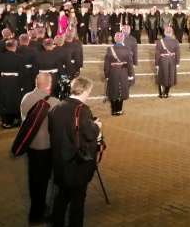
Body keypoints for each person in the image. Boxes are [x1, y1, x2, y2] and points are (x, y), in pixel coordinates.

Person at [48, 77, 102, 227]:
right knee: (78, 201)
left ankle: (56, 223)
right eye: (89, 91)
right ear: (84, 91)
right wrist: (97, 125)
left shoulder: (57, 107)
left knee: (62, 196)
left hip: (60, 160)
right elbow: (90, 134)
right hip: (76, 162)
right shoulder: (82, 110)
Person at [20, 73, 60, 225]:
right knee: (42, 181)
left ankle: (39, 206)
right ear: (49, 84)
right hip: (45, 145)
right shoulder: (53, 101)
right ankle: (37, 213)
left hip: (30, 144)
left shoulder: (26, 97)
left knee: (34, 177)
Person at [104, 32, 135, 116]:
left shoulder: (109, 49)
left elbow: (106, 64)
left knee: (113, 90)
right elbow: (130, 64)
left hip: (113, 71)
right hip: (123, 71)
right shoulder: (127, 49)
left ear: (114, 39)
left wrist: (107, 75)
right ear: (123, 39)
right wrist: (131, 75)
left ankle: (114, 110)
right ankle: (119, 110)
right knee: (121, 89)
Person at [155, 27, 180, 98]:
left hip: (162, 60)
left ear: (164, 33)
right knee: (170, 76)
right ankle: (166, 93)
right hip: (172, 60)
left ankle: (161, 93)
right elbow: (178, 53)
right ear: (171, 33)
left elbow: (157, 54)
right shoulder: (176, 41)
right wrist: (177, 62)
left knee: (161, 75)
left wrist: (156, 64)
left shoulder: (159, 41)